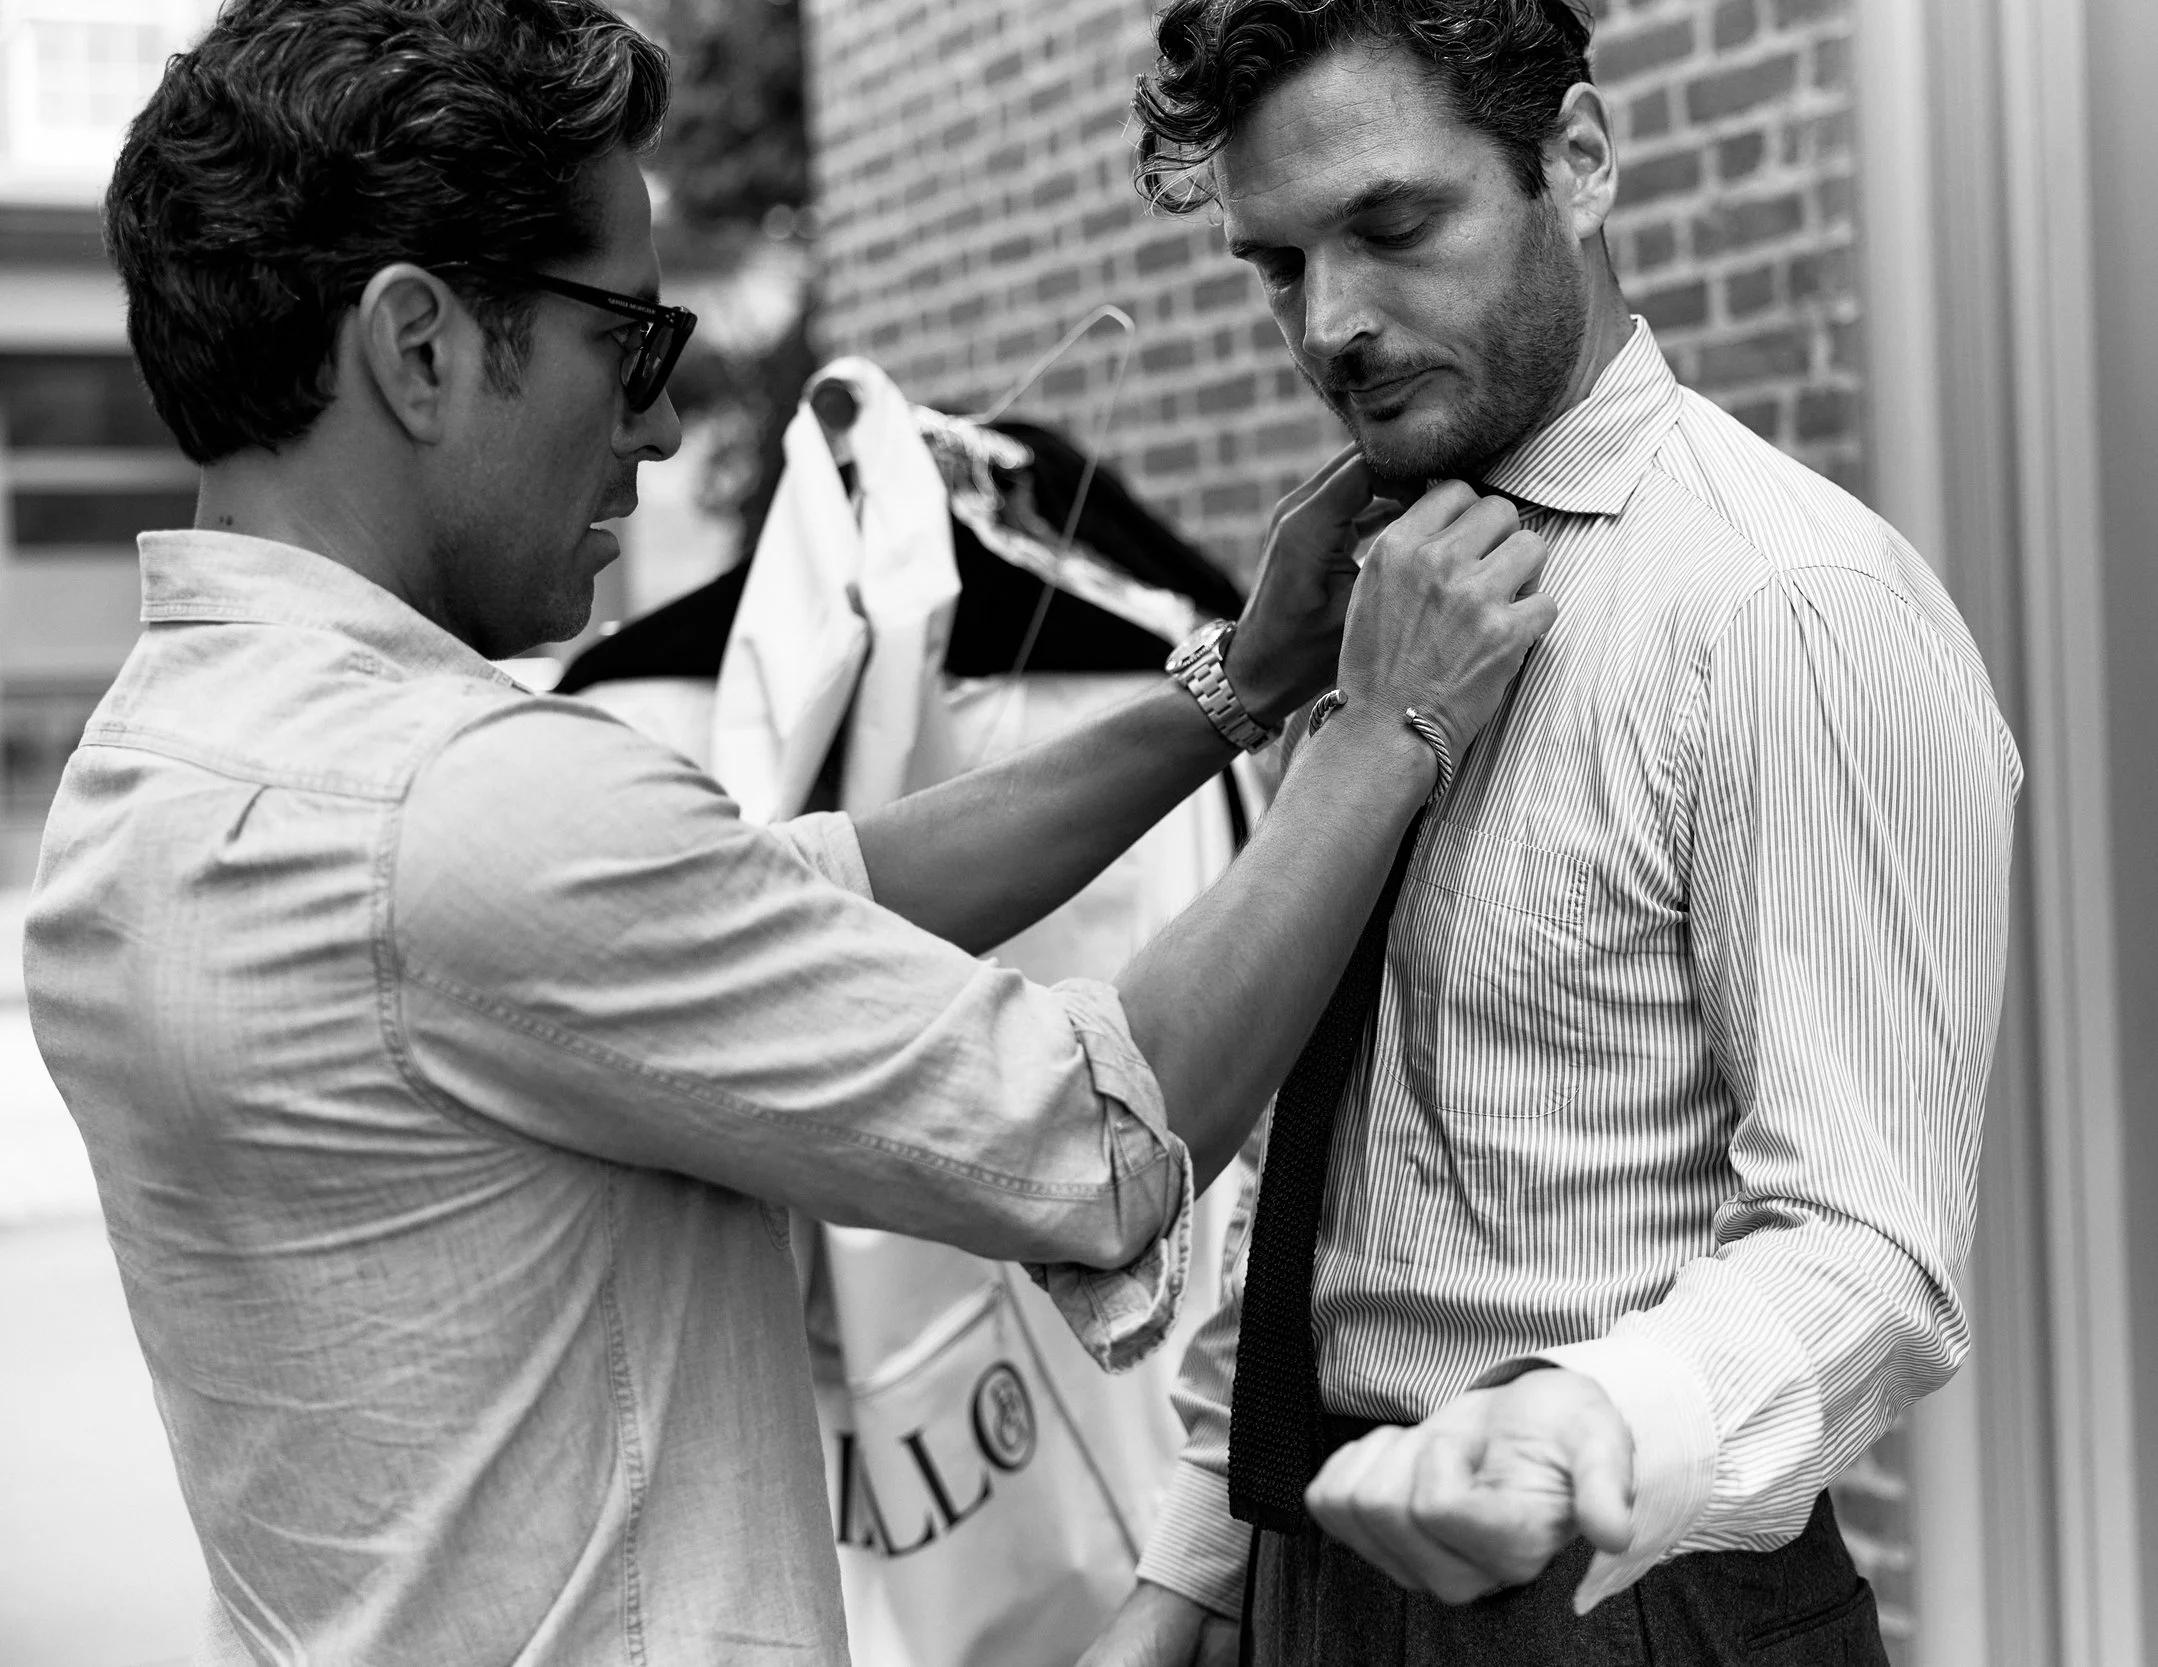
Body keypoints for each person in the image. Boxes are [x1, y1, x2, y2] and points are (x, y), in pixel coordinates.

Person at [22, 2, 1554, 1661]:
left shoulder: (140, 786)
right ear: (418, 348)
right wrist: (1386, 728)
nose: (660, 427)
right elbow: (1103, 1134)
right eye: (631, 343)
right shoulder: (466, 808)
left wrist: (1236, 688)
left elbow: (799, 898)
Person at [1081, 3, 2023, 1664]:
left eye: (1392, 226)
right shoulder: (1389, 589)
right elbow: (1327, 1173)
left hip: (1621, 1598)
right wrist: (1196, 1570)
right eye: (1279, 265)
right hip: (1311, 1565)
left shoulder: (1787, 604)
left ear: (1577, 161)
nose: (1332, 323)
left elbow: (1870, 1244)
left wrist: (1583, 1428)